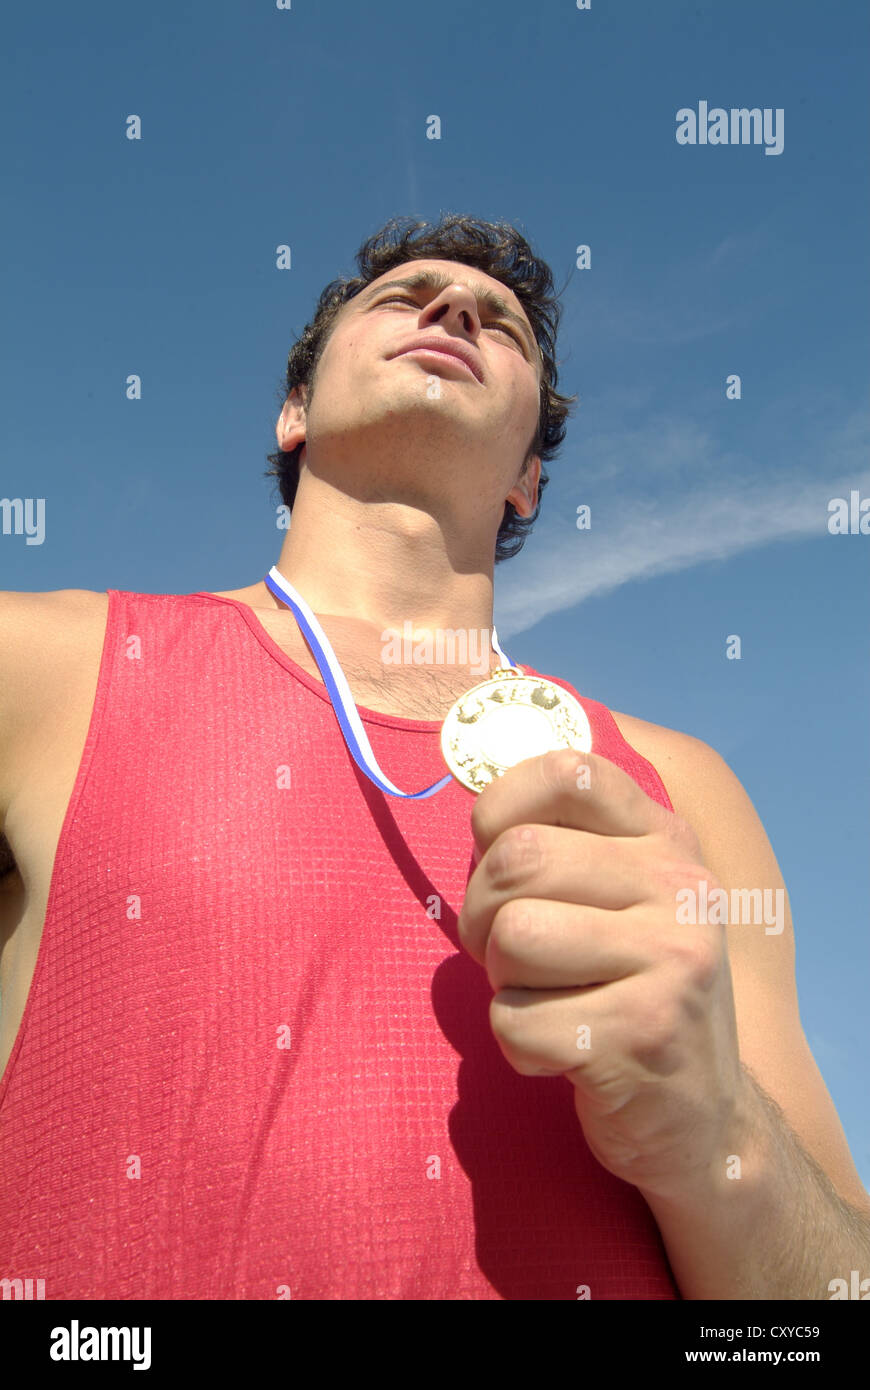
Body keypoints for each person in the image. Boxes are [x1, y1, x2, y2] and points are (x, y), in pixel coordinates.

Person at [0, 214, 867, 1301]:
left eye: (500, 323)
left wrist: (717, 1131)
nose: (455, 310)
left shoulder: (682, 790)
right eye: (401, 299)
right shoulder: (39, 670)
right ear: (295, 411)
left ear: (529, 486)